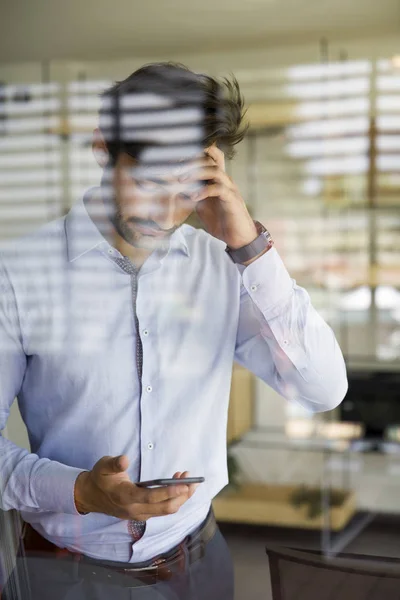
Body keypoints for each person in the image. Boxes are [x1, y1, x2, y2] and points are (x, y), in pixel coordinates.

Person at [0, 62, 348, 599]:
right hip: (63, 575)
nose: (166, 213)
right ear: (101, 147)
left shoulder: (226, 267)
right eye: (149, 183)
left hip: (202, 564)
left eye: (189, 188)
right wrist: (81, 492)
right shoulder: (17, 275)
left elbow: (321, 390)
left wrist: (250, 247)